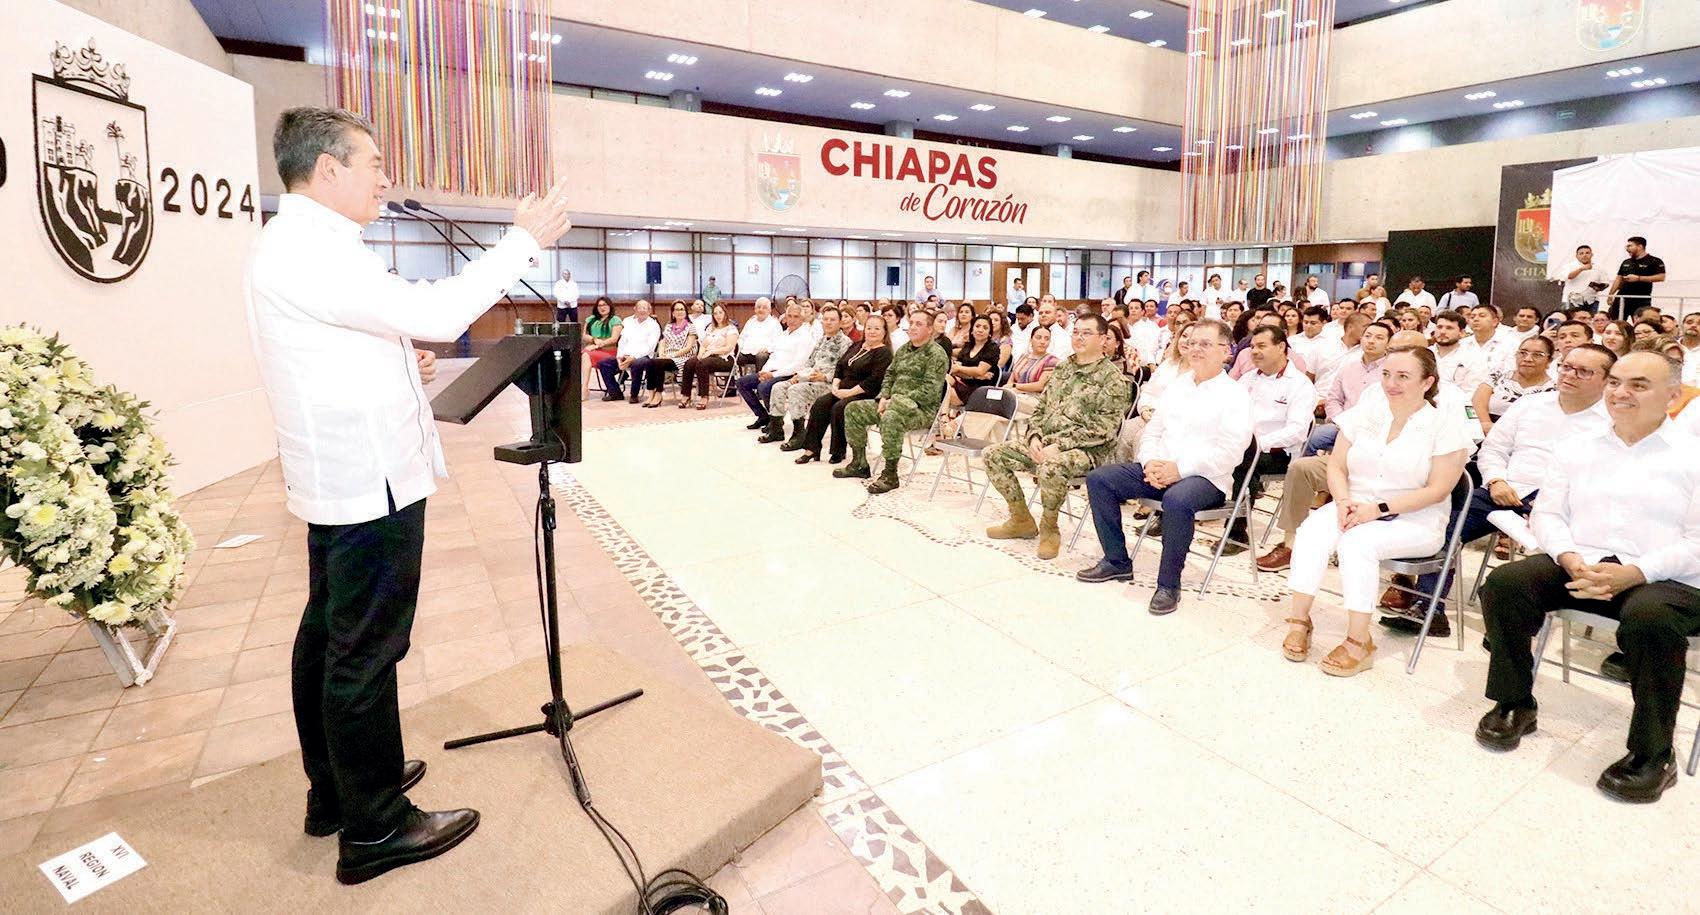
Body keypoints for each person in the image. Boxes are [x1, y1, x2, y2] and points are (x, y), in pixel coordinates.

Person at [248, 106, 573, 884]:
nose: (385, 179)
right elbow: (434, 312)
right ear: (328, 169)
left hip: (345, 473)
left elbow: (352, 338)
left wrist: (402, 361)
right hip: (368, 480)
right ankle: (375, 826)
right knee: (364, 649)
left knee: (330, 635)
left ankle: (339, 788)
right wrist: (521, 240)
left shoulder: (305, 243)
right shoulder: (312, 249)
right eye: (374, 164)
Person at [1474, 352, 1700, 803]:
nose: (1620, 392)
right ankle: (1515, 702)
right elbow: (1549, 513)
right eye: (1614, 382)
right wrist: (1568, 556)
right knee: (1506, 585)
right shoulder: (1579, 446)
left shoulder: (1692, 454)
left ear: (1673, 396)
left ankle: (1654, 754)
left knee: (1651, 619)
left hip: (1669, 578)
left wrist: (1637, 572)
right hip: (1585, 560)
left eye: (1638, 384)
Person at [1380, 344, 1615, 636]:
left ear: (1607, 379)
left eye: (1583, 372)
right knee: (1445, 524)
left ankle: (1515, 627)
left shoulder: (1612, 422)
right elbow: (1494, 449)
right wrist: (1495, 480)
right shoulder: (1530, 405)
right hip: (1506, 489)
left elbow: (1606, 478)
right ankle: (1429, 608)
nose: (1569, 375)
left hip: (1563, 506)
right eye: (1566, 367)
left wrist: (1555, 504)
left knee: (1553, 551)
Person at [1279, 346, 1471, 675]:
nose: (1391, 383)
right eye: (1386, 374)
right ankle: (1299, 621)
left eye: (1403, 376)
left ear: (1427, 382)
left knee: (1357, 544)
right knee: (1311, 531)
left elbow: (1437, 490)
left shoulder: (1445, 426)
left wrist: (1378, 509)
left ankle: (1359, 641)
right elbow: (1337, 466)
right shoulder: (1366, 413)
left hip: (1415, 519)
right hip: (1353, 505)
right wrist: (1342, 501)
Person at [1075, 319, 1251, 614]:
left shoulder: (1235, 395)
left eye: (1205, 344)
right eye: (1192, 343)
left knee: (1177, 500)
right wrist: (1150, 462)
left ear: (1226, 351)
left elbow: (1230, 453)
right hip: (1159, 469)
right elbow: (1153, 431)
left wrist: (1179, 469)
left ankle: (1169, 585)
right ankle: (1116, 561)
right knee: (1100, 479)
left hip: (1206, 478)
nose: (1195, 349)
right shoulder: (1178, 386)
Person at [983, 315, 1129, 561]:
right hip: (1047, 442)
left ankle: (1050, 528)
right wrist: (1034, 437)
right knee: (993, 454)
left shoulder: (1112, 379)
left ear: (1103, 339)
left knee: (1051, 467)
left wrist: (1059, 446)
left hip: (1087, 451)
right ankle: (1021, 519)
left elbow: (1104, 429)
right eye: (1076, 332)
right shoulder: (1063, 368)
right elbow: (1041, 409)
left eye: (1086, 333)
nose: (1079, 337)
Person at [838, 310, 950, 493]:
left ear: (930, 329)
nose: (913, 327)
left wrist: (894, 401)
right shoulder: (905, 349)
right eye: (911, 323)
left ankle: (890, 475)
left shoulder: (936, 354)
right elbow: (889, 375)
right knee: (853, 409)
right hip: (891, 403)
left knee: (891, 418)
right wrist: (884, 397)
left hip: (920, 410)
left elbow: (929, 392)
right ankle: (859, 463)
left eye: (919, 324)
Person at [791, 315, 893, 464]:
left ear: (884, 332)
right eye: (869, 328)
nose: (872, 331)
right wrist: (835, 386)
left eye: (877, 328)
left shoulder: (884, 353)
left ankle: (838, 451)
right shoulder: (857, 345)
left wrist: (849, 393)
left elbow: (874, 380)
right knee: (820, 404)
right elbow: (840, 366)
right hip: (842, 388)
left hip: (864, 392)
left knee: (839, 408)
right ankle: (811, 449)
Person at [768, 306, 853, 446]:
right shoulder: (821, 340)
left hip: (828, 384)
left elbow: (844, 370)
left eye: (832, 320)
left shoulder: (845, 343)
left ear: (839, 322)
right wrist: (798, 375)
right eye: (826, 319)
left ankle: (799, 434)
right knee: (778, 387)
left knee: (795, 390)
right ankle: (776, 430)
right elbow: (809, 362)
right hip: (810, 378)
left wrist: (825, 377)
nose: (828, 322)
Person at [1305, 320, 1391, 455]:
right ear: (1361, 339)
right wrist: (1340, 421)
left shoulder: (1391, 371)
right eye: (1367, 336)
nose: (1371, 341)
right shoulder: (1348, 367)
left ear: (1389, 344)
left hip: (1374, 429)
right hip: (1342, 425)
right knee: (1310, 439)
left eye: (1379, 338)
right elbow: (1333, 398)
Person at [738, 301, 811, 430]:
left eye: (796, 316)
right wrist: (764, 371)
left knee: (763, 387)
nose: (792, 320)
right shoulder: (784, 334)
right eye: (789, 316)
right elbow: (774, 356)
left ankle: (775, 421)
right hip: (772, 371)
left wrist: (773, 375)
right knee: (742, 383)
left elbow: (798, 364)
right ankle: (763, 416)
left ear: (802, 318)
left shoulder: (805, 336)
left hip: (790, 374)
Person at [1470, 335, 1556, 432]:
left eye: (1537, 355)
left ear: (1549, 361)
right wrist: (1487, 425)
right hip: (1487, 431)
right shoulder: (1498, 376)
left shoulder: (1553, 390)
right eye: (1522, 353)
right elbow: (1478, 401)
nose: (1527, 359)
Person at [635, 300, 697, 408]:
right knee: (650, 362)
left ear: (686, 312)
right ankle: (651, 394)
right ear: (673, 312)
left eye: (682, 309)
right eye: (677, 309)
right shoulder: (669, 326)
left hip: (682, 357)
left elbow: (689, 347)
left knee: (659, 363)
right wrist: (662, 353)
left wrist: (673, 355)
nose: (679, 312)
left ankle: (659, 394)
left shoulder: (690, 326)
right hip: (667, 357)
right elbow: (663, 342)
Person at [678, 303, 738, 409]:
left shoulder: (731, 329)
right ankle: (686, 395)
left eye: (720, 312)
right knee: (690, 363)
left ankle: (704, 397)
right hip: (709, 357)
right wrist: (700, 354)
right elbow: (703, 344)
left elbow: (729, 347)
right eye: (715, 313)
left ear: (725, 313)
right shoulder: (711, 328)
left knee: (702, 364)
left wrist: (711, 352)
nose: (718, 315)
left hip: (725, 358)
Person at [599, 299, 660, 403]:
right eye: (639, 308)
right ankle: (615, 393)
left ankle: (634, 395)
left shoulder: (654, 325)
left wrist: (633, 357)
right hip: (625, 355)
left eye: (645, 308)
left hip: (643, 356)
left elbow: (650, 347)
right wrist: (619, 357)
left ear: (649, 311)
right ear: (634, 309)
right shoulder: (627, 321)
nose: (642, 310)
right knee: (604, 364)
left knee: (637, 363)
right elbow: (622, 341)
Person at [1604, 236, 1667, 319]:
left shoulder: (1654, 261)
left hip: (1641, 299)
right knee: (1616, 322)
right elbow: (1619, 278)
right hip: (1622, 298)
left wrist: (1638, 278)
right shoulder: (1626, 262)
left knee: (1641, 322)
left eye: (1630, 246)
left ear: (1640, 246)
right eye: (1627, 246)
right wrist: (1611, 294)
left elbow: (1661, 277)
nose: (1627, 248)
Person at [948, 314, 1000, 407]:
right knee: (943, 380)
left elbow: (980, 371)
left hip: (979, 390)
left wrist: (960, 368)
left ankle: (944, 413)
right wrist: (973, 375)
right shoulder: (968, 346)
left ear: (990, 333)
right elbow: (956, 371)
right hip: (962, 382)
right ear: (972, 330)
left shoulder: (992, 348)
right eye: (977, 326)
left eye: (985, 328)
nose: (980, 330)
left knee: (944, 391)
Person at [1431, 310, 1487, 392]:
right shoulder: (1425, 353)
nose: (1442, 332)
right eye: (1439, 327)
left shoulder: (1472, 357)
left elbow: (1472, 392)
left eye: (1449, 328)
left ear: (1462, 333)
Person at [1458, 303, 1516, 372]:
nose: (1475, 319)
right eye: (1472, 317)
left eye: (1482, 316)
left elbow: (1512, 372)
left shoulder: (1510, 344)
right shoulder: (1461, 344)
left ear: (1495, 322)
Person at [738, 296, 782, 373]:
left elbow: (779, 342)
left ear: (769, 310)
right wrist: (739, 347)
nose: (761, 310)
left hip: (765, 353)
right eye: (758, 307)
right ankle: (738, 379)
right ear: (755, 309)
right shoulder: (751, 321)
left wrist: (768, 349)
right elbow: (742, 337)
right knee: (737, 357)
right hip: (748, 351)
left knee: (761, 356)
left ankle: (759, 379)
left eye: (764, 308)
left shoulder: (774, 323)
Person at [583, 297, 621, 375]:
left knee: (586, 354)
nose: (602, 308)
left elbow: (614, 339)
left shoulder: (615, 320)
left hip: (610, 351)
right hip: (593, 349)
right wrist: (594, 339)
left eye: (604, 305)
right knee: (583, 354)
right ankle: (584, 383)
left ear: (610, 306)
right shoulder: (591, 319)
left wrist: (597, 346)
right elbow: (584, 336)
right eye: (599, 306)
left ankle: (584, 383)